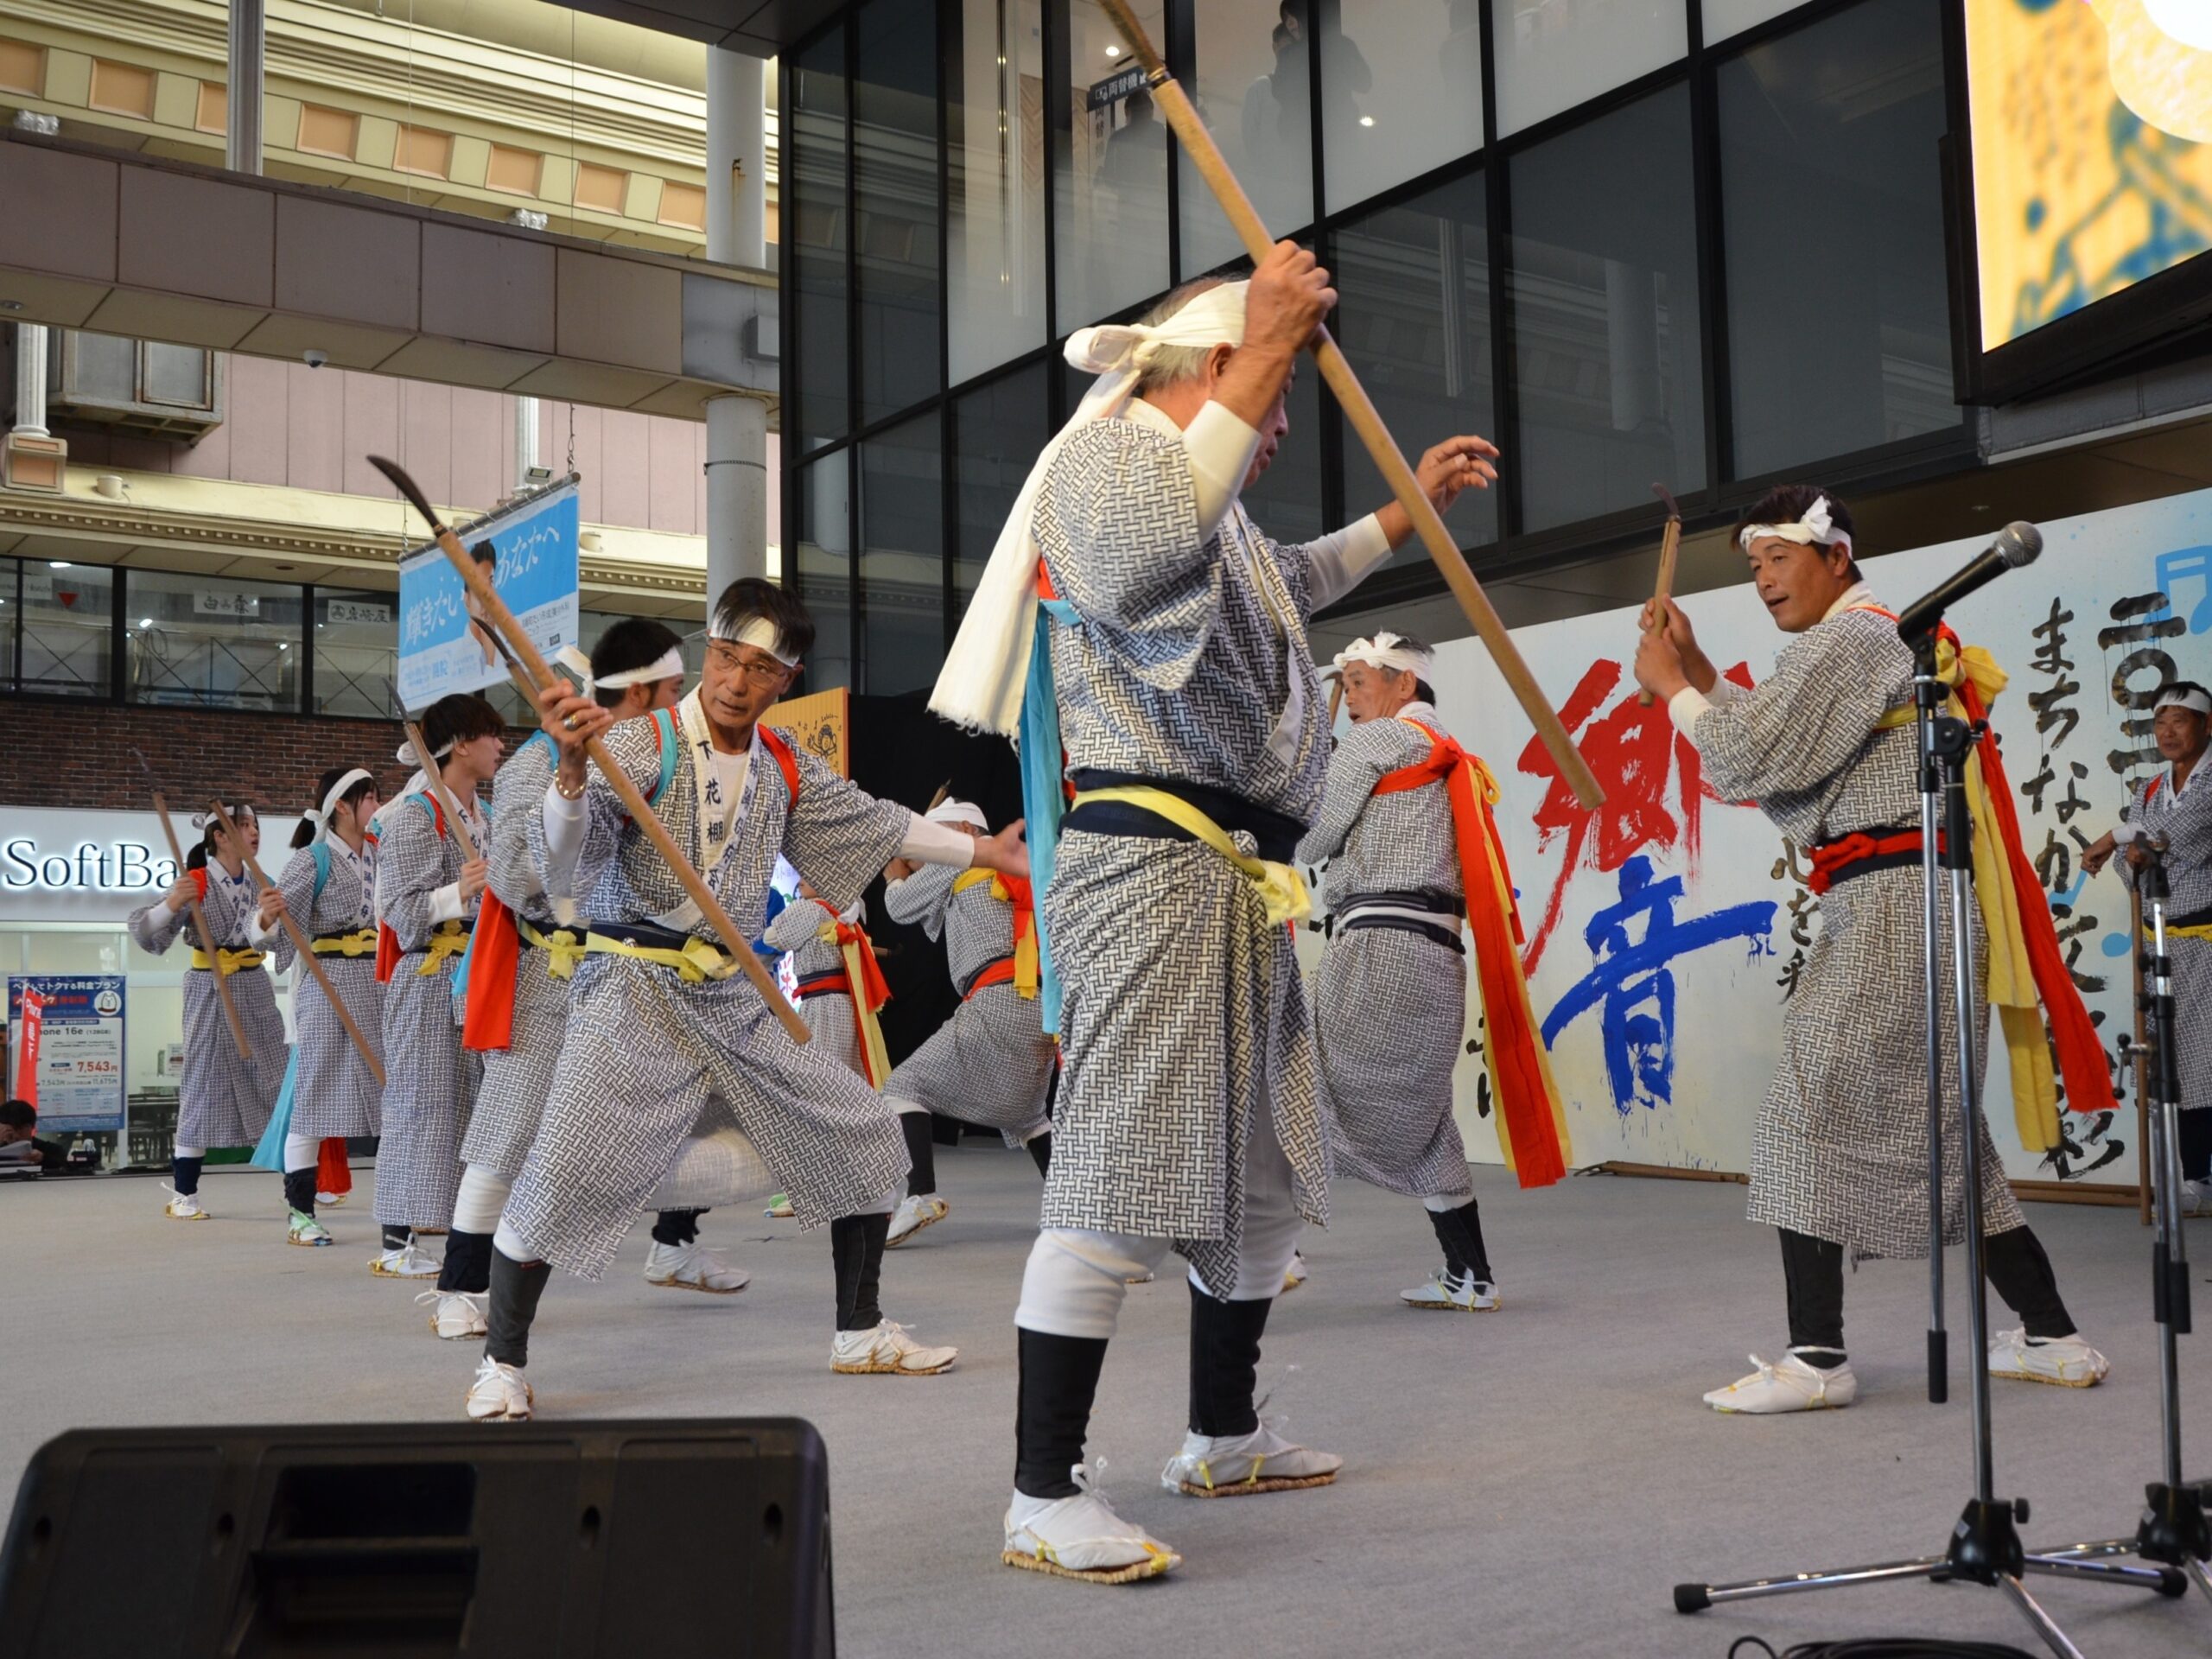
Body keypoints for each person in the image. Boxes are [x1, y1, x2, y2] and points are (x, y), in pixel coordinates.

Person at [931, 240, 1498, 1580]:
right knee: (1117, 1169)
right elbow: (1135, 566)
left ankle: (1222, 1434)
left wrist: (1406, 512)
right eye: (1272, 385)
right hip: (1150, 865)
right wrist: (1271, 348)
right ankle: (1040, 1492)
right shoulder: (1107, 459)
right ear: (1210, 362)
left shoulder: (1211, 504)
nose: (1281, 418)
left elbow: (1291, 579)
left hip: (1234, 881)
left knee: (1263, 1175)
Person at [460, 578, 1029, 1423]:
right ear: (709, 651)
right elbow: (564, 861)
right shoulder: (640, 744)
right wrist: (571, 776)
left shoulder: (782, 764)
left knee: (869, 1131)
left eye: (760, 669)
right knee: (563, 1169)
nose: (735, 681)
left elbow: (880, 821)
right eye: (726, 658)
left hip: (731, 997)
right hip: (632, 991)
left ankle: (859, 1331)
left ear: (786, 679)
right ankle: (501, 1363)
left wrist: (988, 854)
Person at [1632, 483, 2113, 1412]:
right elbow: (1783, 748)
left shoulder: (1851, 637)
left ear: (1836, 556)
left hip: (1897, 903)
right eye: (1755, 564)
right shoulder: (1866, 640)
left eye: (1779, 557)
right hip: (1911, 899)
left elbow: (1752, 759)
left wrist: (1672, 690)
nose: (1764, 578)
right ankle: (2053, 1339)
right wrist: (1693, 669)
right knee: (1947, 1141)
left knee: (1805, 1111)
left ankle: (1817, 1359)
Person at [423, 621, 728, 1342]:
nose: (680, 702)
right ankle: (458, 1285)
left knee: (689, 1108)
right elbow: (512, 876)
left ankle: (673, 1243)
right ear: (638, 691)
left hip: (624, 973)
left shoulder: (647, 756)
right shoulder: (538, 763)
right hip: (547, 972)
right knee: (511, 1128)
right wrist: (567, 811)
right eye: (673, 689)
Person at [1298, 630, 1569, 1312]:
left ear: (1404, 684)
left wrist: (1297, 784)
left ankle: (1268, 1253)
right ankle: (1470, 1276)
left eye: (1360, 681)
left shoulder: (1378, 739)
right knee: (1427, 1119)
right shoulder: (1444, 747)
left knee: (1293, 1074)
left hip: (1377, 947)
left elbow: (1312, 837)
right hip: (1435, 952)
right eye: (1345, 683)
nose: (1348, 696)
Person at [877, 798, 1056, 1246]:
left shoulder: (963, 854)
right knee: (1028, 1117)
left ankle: (920, 1195)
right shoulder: (999, 865)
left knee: (903, 1086)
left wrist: (895, 874)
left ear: (962, 830)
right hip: (1036, 1002)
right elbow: (932, 912)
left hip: (997, 998)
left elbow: (899, 907)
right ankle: (1078, 1211)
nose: (925, 856)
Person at [370, 693, 505, 1280]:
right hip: (427, 975)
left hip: (478, 974)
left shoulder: (487, 815)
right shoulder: (414, 816)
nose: (501, 745)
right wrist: (459, 891)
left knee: (475, 1105)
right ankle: (396, 1241)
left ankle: (463, 1235)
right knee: (419, 1103)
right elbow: (399, 912)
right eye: (491, 734)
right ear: (463, 745)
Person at [2085, 679, 2212, 1214]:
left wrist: (2122, 836)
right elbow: (2136, 858)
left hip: (2206, 935)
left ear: (2206, 725)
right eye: (2161, 722)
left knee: (2203, 1055)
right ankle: (2191, 1176)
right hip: (2161, 935)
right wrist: (2134, 844)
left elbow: (2179, 831)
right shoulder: (2152, 787)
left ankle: (2201, 1176)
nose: (2167, 732)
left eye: (2179, 720)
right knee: (2172, 1057)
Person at [128, 803, 289, 1220]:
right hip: (208, 987)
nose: (254, 833)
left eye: (256, 825)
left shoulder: (263, 882)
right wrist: (172, 903)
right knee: (202, 1082)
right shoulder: (197, 881)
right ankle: (185, 1193)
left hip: (253, 984)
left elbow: (272, 940)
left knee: (275, 1077)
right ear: (220, 836)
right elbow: (146, 931)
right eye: (244, 825)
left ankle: (299, 1187)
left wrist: (267, 919)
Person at [253, 766, 385, 1247]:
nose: (377, 807)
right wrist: (266, 917)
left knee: (393, 1093)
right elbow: (274, 928)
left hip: (377, 984)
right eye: (370, 799)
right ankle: (301, 1212)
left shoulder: (381, 853)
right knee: (314, 1097)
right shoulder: (312, 859)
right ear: (342, 806)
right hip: (326, 985)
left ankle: (403, 1209)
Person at [0, 1099, 70, 1172]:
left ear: (32, 1126)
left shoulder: (52, 1150)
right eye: (10, 1130)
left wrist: (43, 1159)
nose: (16, 1135)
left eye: (20, 1129)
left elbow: (66, 1167)